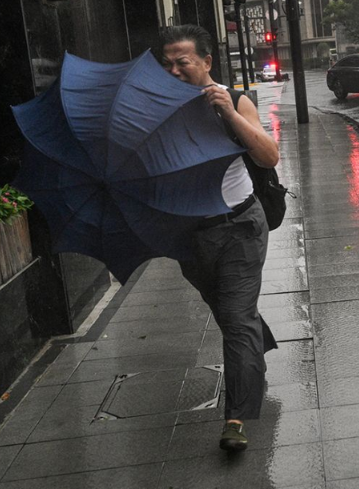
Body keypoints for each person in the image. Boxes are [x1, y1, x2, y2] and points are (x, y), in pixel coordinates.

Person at [159, 25, 280, 451]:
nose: (173, 71)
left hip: (239, 227)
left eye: (183, 62)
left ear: (207, 62)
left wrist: (228, 112)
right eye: (167, 64)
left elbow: (268, 155)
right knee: (228, 309)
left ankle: (237, 418)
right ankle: (256, 344)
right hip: (189, 234)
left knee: (234, 320)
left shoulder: (234, 99)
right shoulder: (162, 109)